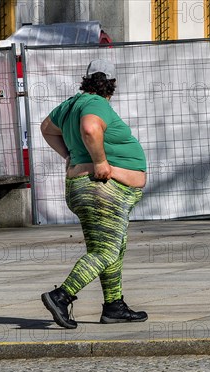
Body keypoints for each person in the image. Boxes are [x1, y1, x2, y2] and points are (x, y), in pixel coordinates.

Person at [40, 59, 147, 329]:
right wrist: (100, 162)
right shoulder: (96, 103)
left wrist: (68, 154)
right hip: (101, 189)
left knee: (111, 248)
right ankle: (61, 296)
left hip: (86, 187)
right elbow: (90, 128)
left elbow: (46, 129)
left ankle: (114, 306)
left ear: (86, 79)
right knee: (107, 252)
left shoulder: (70, 105)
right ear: (111, 83)